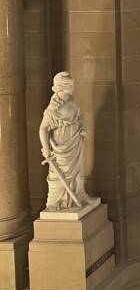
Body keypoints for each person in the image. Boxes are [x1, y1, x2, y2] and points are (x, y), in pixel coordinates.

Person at [39, 71, 94, 211]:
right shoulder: (53, 109)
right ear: (62, 87)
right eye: (71, 86)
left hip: (74, 140)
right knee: (60, 173)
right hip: (61, 145)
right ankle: (54, 200)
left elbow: (78, 116)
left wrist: (81, 126)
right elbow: (43, 129)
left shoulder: (71, 101)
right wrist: (46, 149)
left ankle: (79, 194)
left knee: (78, 171)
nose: (74, 88)